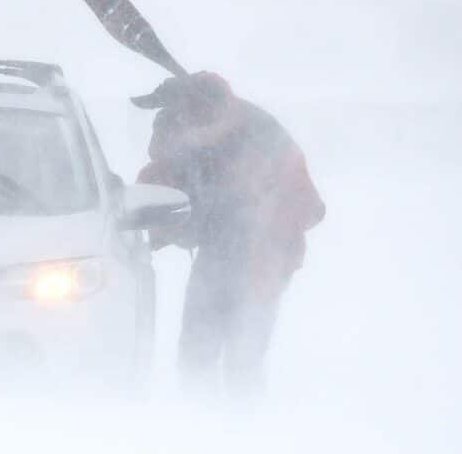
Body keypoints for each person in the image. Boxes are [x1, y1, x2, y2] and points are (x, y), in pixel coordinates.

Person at [134, 72, 325, 397]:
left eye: (180, 123)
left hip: (264, 259)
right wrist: (153, 227)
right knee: (197, 351)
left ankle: (241, 431)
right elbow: (161, 184)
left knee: (243, 355)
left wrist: (260, 222)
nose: (177, 134)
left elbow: (310, 207)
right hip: (218, 251)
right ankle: (200, 426)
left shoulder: (260, 137)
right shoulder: (191, 138)